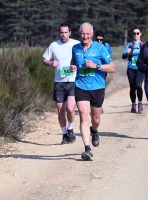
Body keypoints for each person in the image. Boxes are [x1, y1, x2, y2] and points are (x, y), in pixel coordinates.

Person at [70, 22, 115, 161]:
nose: (85, 36)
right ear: (79, 34)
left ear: (92, 34)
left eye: (87, 34)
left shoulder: (100, 48)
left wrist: (97, 66)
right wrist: (72, 66)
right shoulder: (75, 48)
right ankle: (87, 149)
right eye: (83, 33)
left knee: (95, 119)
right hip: (81, 86)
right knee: (83, 116)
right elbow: (74, 61)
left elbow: (112, 67)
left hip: (97, 86)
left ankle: (94, 131)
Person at [42, 23, 80, 144]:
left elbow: (82, 59)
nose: (63, 35)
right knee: (60, 110)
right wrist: (50, 63)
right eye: (61, 32)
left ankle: (70, 129)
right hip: (59, 82)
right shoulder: (54, 45)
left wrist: (76, 66)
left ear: (70, 32)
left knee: (70, 108)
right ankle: (64, 135)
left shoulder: (76, 44)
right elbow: (44, 59)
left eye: (65, 32)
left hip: (72, 81)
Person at [122, 27, 145, 114]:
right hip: (131, 68)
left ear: (140, 34)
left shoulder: (143, 44)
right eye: (134, 33)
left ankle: (140, 103)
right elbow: (123, 57)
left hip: (140, 68)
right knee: (132, 87)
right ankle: (133, 104)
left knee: (138, 85)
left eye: (137, 33)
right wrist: (127, 53)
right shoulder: (129, 44)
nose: (136, 35)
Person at [94, 29, 112, 114]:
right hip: (92, 70)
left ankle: (100, 106)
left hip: (103, 70)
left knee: (101, 88)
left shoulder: (106, 45)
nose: (99, 41)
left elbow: (109, 59)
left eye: (101, 39)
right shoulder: (91, 45)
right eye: (97, 39)